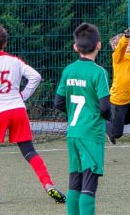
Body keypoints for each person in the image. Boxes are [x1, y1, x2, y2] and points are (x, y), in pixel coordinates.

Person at [0, 24, 66, 204]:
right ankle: (48, 184)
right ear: (5, 43)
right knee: (29, 150)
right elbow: (36, 77)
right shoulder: (15, 61)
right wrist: (23, 95)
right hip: (18, 110)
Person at [54, 23, 111, 215]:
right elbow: (104, 107)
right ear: (99, 45)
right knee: (89, 186)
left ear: (75, 47)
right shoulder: (99, 72)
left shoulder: (68, 70)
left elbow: (58, 102)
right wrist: (106, 119)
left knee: (74, 183)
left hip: (73, 133)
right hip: (91, 134)